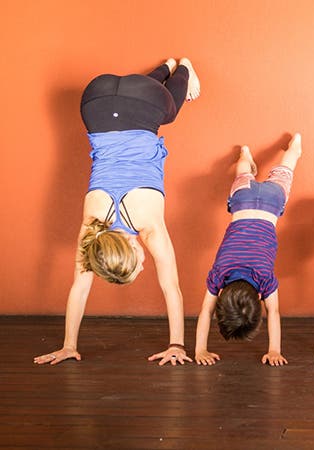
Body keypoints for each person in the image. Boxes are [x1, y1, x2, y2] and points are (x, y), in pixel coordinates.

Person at [34, 58, 201, 366]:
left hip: (143, 101)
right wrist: (68, 345)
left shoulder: (149, 226)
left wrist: (177, 345)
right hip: (95, 98)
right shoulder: (92, 231)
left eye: (138, 265)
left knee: (171, 113)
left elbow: (171, 288)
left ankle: (182, 69)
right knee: (137, 94)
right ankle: (163, 68)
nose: (144, 266)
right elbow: (79, 288)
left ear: (132, 250)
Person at [195, 134, 302, 367]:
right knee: (242, 174)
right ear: (222, 296)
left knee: (286, 169)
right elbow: (206, 311)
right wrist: (199, 349)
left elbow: (274, 312)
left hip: (272, 201)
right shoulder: (220, 273)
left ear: (259, 298)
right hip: (243, 198)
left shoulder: (264, 278)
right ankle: (245, 156)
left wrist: (274, 350)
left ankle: (294, 149)